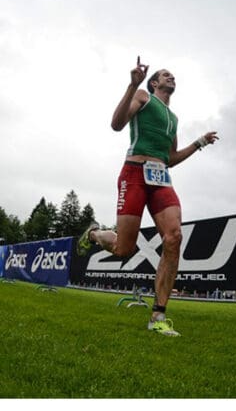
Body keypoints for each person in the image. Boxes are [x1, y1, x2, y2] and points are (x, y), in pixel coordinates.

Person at [76, 57, 219, 336]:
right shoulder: (144, 96)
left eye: (173, 75)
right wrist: (132, 86)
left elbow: (171, 158)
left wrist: (199, 143)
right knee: (124, 249)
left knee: (174, 236)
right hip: (134, 174)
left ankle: (158, 316)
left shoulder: (173, 118)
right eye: (166, 75)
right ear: (155, 82)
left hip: (161, 178)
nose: (171, 77)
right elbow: (117, 124)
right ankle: (94, 234)